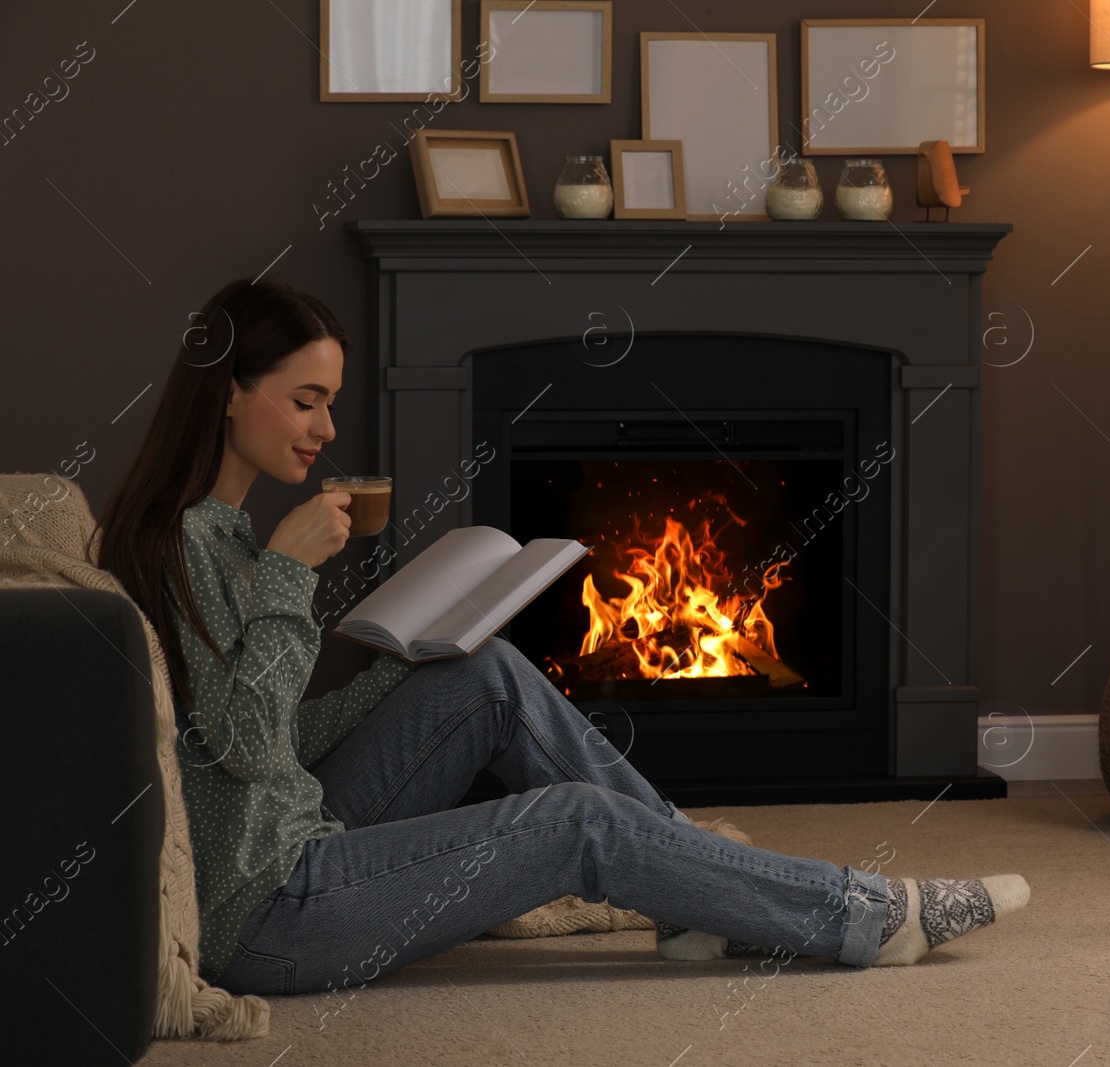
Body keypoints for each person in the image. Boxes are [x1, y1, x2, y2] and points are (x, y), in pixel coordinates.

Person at [96, 277, 1029, 998]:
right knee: (577, 821)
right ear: (228, 392)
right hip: (268, 910)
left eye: (329, 402)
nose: (327, 428)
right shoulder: (182, 544)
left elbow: (265, 752)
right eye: (305, 400)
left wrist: (412, 663)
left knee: (489, 674)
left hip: (291, 833)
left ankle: (700, 903)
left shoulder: (213, 531)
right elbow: (249, 747)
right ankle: (862, 916)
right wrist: (292, 574)